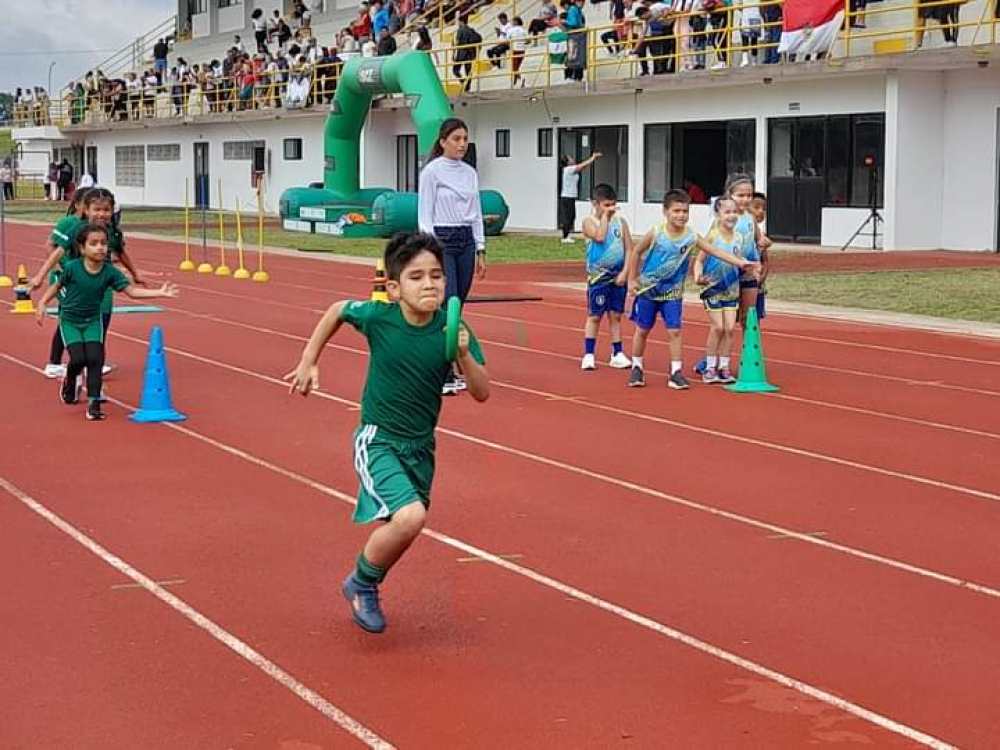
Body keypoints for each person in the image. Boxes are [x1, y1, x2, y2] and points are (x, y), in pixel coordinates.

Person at [285, 232, 489, 634]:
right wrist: (308, 361)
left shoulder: (453, 329)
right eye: (416, 277)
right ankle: (361, 583)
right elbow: (338, 310)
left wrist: (463, 353)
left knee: (405, 526)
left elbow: (482, 392)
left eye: (436, 275)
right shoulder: (380, 318)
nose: (429, 284)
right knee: (412, 517)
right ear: (394, 288)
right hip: (378, 439)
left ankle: (366, 581)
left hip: (421, 447)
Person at [35, 223, 178, 421]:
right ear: (83, 248)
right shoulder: (72, 268)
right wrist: (42, 303)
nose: (100, 247)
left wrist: (159, 293)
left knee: (95, 358)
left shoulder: (110, 272)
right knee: (78, 359)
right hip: (70, 321)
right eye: (94, 243)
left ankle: (94, 403)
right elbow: (57, 286)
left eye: (103, 243)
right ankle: (69, 380)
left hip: (93, 320)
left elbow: (132, 292)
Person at [626, 188, 757, 389]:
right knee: (643, 329)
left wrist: (740, 263)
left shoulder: (691, 236)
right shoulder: (656, 233)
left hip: (673, 293)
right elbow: (636, 252)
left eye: (685, 211)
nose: (681, 216)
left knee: (675, 331)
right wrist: (632, 279)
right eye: (676, 211)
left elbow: (715, 251)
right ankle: (637, 367)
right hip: (648, 290)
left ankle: (676, 372)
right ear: (665, 212)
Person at [417, 118, 486, 395]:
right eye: (456, 139)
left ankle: (448, 362)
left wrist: (481, 248)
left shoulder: (470, 173)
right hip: (442, 240)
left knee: (459, 306)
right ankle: (443, 371)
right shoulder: (431, 172)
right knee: (448, 304)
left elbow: (476, 212)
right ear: (443, 141)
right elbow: (425, 213)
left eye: (465, 139)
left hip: (466, 240)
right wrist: (431, 248)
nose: (461, 144)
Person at [693, 195, 747, 384]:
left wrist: (752, 269)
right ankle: (709, 368)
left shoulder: (740, 237)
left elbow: (739, 261)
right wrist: (698, 276)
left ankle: (724, 367)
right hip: (713, 289)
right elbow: (699, 260)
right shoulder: (713, 236)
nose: (731, 216)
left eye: (734, 212)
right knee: (718, 327)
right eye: (727, 212)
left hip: (732, 290)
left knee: (730, 329)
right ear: (718, 214)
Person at [581, 183, 632, 371]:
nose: (611, 209)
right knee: (595, 316)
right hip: (598, 278)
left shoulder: (621, 222)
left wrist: (626, 272)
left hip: (617, 277)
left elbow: (629, 249)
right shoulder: (589, 222)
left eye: (613, 205)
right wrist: (604, 217)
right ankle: (589, 353)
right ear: (596, 204)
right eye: (606, 205)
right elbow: (600, 237)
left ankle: (617, 352)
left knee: (616, 316)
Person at [558, 151, 601, 243]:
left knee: (572, 216)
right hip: (567, 197)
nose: (572, 159)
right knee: (568, 217)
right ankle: (565, 237)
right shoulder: (568, 169)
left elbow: (583, 166)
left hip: (571, 197)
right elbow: (582, 165)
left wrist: (591, 161)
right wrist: (593, 158)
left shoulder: (572, 169)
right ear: (567, 162)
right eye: (570, 158)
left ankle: (568, 236)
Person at [749, 191, 769, 321]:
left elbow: (765, 260)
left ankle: (754, 342)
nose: (761, 211)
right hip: (742, 282)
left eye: (764, 209)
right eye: (756, 207)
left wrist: (763, 277)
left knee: (754, 320)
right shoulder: (742, 233)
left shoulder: (763, 235)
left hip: (758, 285)